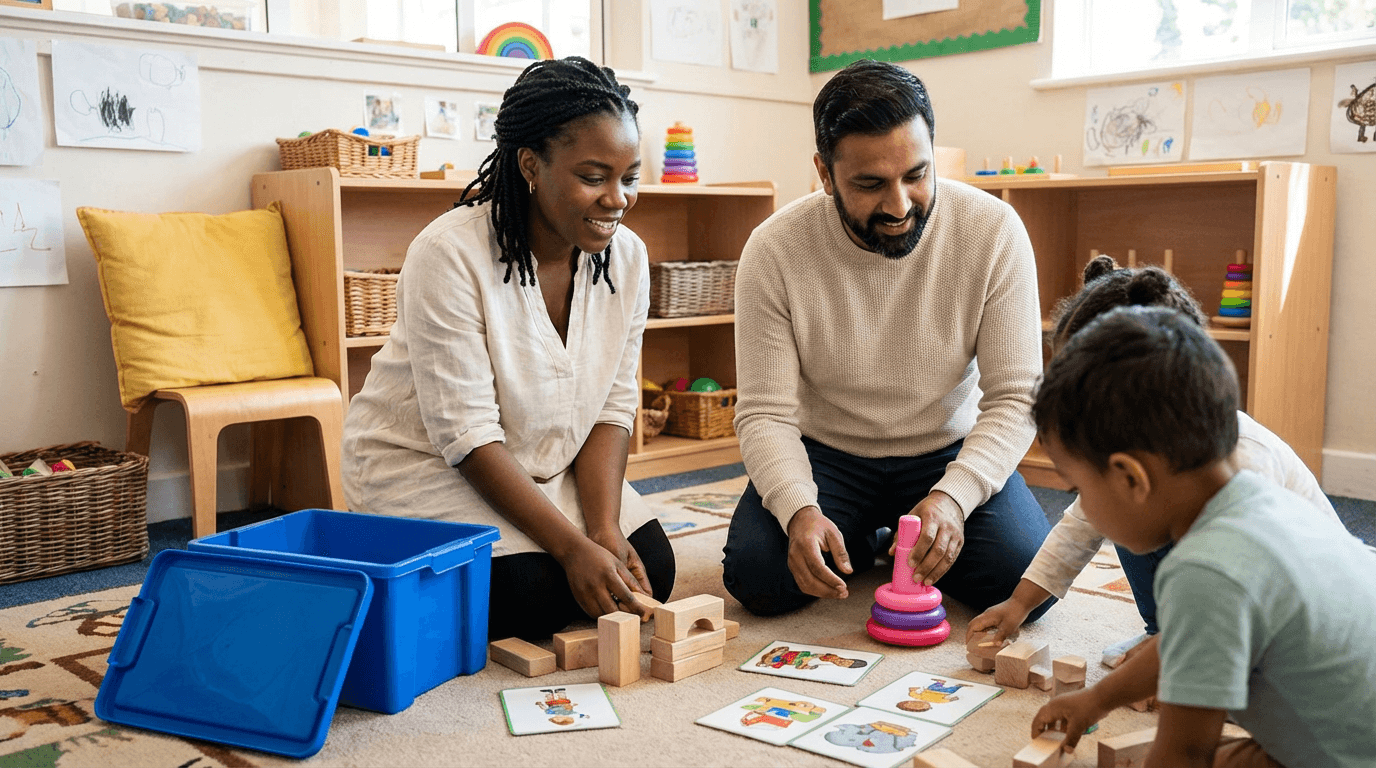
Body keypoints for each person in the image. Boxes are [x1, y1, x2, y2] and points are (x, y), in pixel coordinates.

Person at [341, 57, 673, 641]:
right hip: (427, 465)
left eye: (630, 177)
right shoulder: (448, 253)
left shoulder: (628, 258)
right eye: (594, 177)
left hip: (547, 460)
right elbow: (467, 436)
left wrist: (600, 527)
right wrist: (570, 548)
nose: (617, 199)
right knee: (535, 596)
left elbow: (614, 408)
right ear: (530, 166)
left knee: (652, 569)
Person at [721, 58, 1053, 619]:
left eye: (915, 175)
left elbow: (1016, 396)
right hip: (826, 454)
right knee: (760, 577)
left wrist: (955, 495)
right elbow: (764, 414)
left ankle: (884, 533)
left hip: (945, 448)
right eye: (870, 184)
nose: (899, 206)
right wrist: (799, 508)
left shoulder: (994, 232)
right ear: (824, 175)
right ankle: (870, 536)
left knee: (1024, 580)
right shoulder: (774, 249)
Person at [968, 256, 1360, 669]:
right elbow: (1082, 523)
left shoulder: (1244, 468)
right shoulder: (1133, 458)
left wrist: (1187, 661)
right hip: (1227, 590)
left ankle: (1179, 640)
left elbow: (1257, 600)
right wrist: (1019, 603)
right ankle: (1166, 632)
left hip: (1294, 617)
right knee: (1118, 513)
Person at [1029, 305, 1376, 767]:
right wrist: (1097, 699)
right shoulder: (1269, 500)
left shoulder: (1205, 571)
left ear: (1131, 478)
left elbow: (1184, 753)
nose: (1082, 508)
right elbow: (1179, 644)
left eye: (1079, 489)